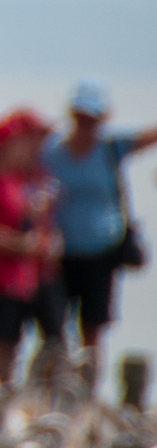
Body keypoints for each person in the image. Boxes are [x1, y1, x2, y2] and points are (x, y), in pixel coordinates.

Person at [41, 78, 157, 368]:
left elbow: (148, 137)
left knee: (93, 327)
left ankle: (87, 386)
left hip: (101, 252)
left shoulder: (110, 148)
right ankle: (52, 383)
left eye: (92, 120)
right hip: (59, 253)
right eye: (81, 118)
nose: (86, 125)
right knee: (54, 326)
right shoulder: (51, 152)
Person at [0, 111, 57, 381]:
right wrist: (25, 245)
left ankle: (2, 394)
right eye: (18, 143)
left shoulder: (20, 181)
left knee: (12, 345)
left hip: (21, 279)